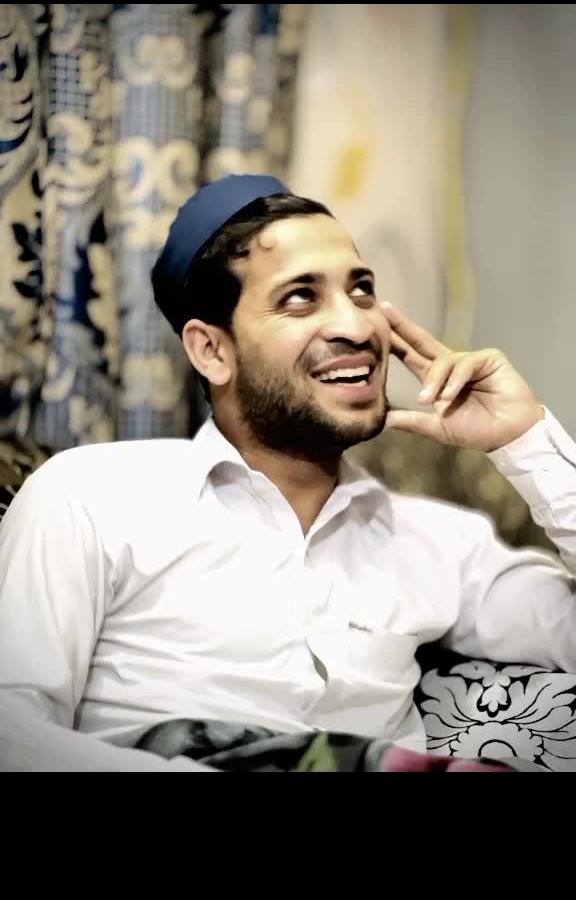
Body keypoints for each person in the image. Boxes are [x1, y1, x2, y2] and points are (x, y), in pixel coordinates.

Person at [1, 174, 575, 772]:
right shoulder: (90, 497)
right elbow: (10, 733)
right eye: (300, 297)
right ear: (212, 351)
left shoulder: (440, 542)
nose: (359, 327)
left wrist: (526, 440)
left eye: (362, 290)